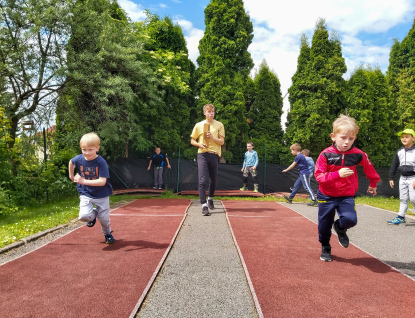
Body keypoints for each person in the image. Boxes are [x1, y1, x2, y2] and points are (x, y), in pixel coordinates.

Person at [315, 115, 380, 262]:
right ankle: (325, 246)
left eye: (351, 139)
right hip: (326, 195)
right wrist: (337, 174)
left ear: (355, 138)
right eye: (343, 137)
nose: (346, 142)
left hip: (346, 195)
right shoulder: (325, 154)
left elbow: (370, 169)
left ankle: (339, 227)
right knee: (324, 225)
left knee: (351, 219)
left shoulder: (358, 154)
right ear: (333, 136)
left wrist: (373, 183)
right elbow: (319, 177)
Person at [68, 132, 115, 244]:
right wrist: (71, 176)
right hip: (86, 192)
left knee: (104, 219)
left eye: (90, 150)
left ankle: (107, 233)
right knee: (84, 216)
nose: (87, 153)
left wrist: (83, 181)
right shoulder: (79, 159)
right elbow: (71, 162)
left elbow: (102, 181)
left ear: (97, 148)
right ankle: (92, 216)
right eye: (84, 149)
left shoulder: (101, 162)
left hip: (101, 194)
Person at [190, 103, 225, 216]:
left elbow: (222, 142)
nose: (211, 113)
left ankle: (210, 198)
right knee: (202, 180)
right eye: (209, 112)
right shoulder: (199, 125)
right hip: (202, 154)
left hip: (214, 154)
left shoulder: (219, 125)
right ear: (204, 113)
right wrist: (200, 144)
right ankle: (204, 205)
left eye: (212, 112)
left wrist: (213, 137)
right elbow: (192, 140)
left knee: (213, 180)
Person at [388, 128, 415, 225]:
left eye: (407, 137)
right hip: (403, 178)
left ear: (413, 138)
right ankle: (401, 217)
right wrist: (391, 178)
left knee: (413, 198)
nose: (404, 139)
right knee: (403, 198)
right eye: (402, 137)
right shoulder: (399, 151)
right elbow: (394, 165)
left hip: (413, 178)